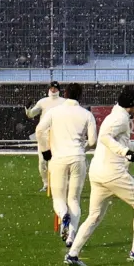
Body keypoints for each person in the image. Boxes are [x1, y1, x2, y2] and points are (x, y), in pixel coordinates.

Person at [65, 85, 134, 266]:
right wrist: (125, 152)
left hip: (98, 173)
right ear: (130, 105)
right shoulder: (120, 119)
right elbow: (104, 137)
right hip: (112, 173)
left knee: (94, 216)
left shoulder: (118, 116)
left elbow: (127, 145)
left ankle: (72, 254)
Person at [36, 83, 96, 245]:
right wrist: (82, 149)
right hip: (78, 158)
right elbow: (93, 141)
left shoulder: (55, 112)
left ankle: (63, 216)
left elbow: (39, 130)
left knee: (58, 198)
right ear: (81, 95)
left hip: (58, 158)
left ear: (66, 93)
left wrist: (46, 150)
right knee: (74, 200)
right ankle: (71, 237)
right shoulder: (86, 114)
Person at [25, 81, 66, 193]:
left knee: (58, 162)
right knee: (42, 162)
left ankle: (59, 184)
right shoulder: (43, 102)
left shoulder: (64, 102)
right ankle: (46, 184)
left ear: (59, 90)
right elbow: (31, 114)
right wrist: (27, 109)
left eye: (55, 88)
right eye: (52, 88)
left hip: (58, 136)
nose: (53, 90)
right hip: (43, 137)